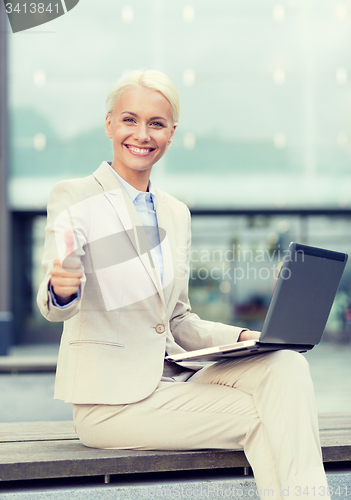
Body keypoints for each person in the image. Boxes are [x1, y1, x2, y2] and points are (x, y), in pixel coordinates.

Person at [37, 70, 330, 499]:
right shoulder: (75, 196)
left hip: (174, 384)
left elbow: (178, 318)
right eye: (129, 120)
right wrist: (63, 288)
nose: (142, 134)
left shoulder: (176, 214)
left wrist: (252, 338)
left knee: (287, 366)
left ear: (172, 133)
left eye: (156, 123)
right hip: (110, 404)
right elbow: (56, 301)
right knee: (262, 415)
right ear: (109, 124)